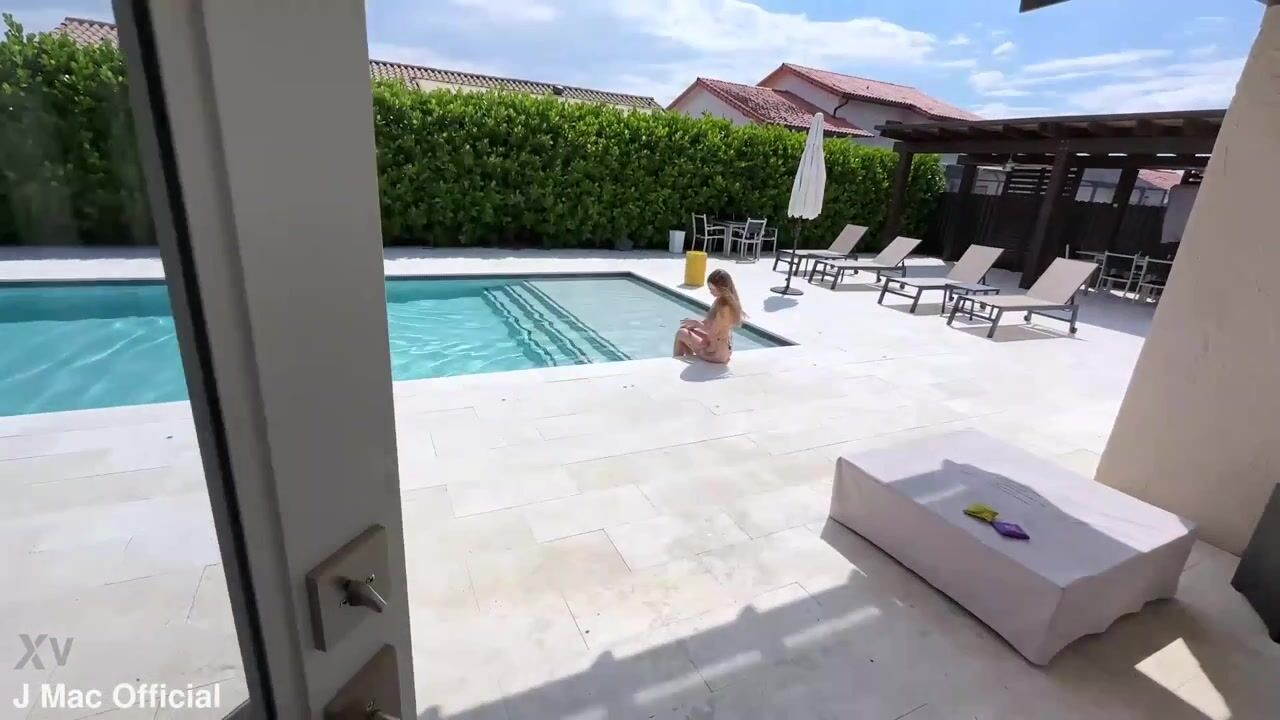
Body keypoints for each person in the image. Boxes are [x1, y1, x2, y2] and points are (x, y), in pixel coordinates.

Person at [673, 269, 744, 364]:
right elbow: (712, 325)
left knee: (681, 333)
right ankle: (687, 360)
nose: (711, 292)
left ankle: (676, 364)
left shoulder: (724, 308)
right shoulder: (723, 301)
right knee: (686, 329)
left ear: (722, 288)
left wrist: (697, 324)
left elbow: (712, 332)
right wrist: (694, 324)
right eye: (710, 289)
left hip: (715, 353)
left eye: (714, 289)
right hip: (721, 347)